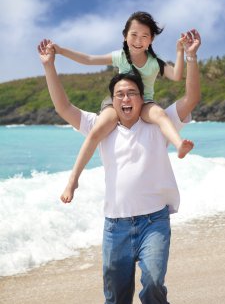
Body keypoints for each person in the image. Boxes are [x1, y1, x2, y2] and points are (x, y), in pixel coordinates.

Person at [37, 27, 201, 304]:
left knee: (152, 286)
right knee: (116, 297)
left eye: (132, 93)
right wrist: (50, 66)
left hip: (154, 222)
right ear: (112, 102)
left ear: (142, 98)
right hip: (116, 227)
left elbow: (191, 98)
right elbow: (63, 107)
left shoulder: (157, 123)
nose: (126, 99)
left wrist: (191, 57)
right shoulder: (100, 126)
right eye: (120, 94)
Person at [45, 12, 194, 203]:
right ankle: (73, 180)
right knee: (97, 131)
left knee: (160, 115)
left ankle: (178, 144)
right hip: (117, 103)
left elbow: (177, 75)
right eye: (134, 35)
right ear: (125, 36)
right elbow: (89, 59)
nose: (138, 41)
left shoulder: (155, 63)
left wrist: (180, 51)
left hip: (144, 102)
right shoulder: (120, 56)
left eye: (144, 36)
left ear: (151, 40)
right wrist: (60, 50)